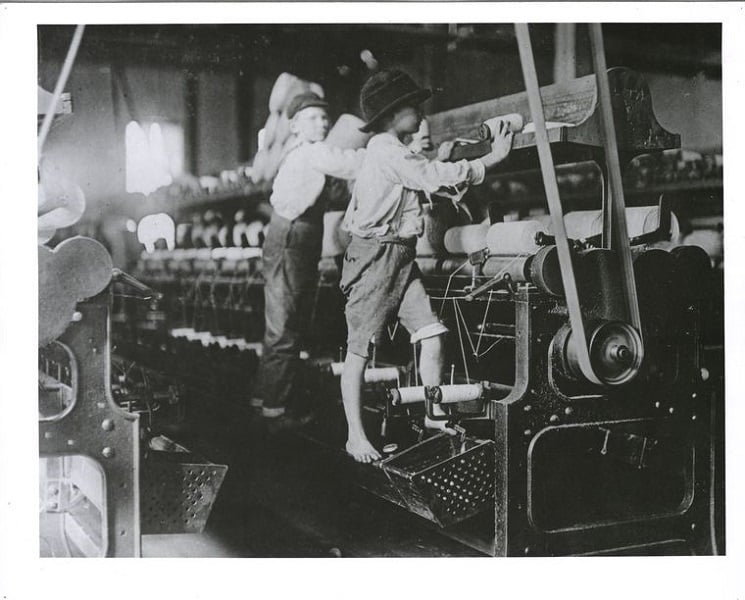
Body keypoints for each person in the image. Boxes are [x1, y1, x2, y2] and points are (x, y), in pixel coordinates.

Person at [340, 69, 514, 462]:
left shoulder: (393, 150)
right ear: (389, 116)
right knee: (359, 351)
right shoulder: (386, 150)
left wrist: (444, 158)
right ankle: (355, 435)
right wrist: (492, 159)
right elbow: (430, 176)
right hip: (374, 256)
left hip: (400, 255)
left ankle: (434, 414)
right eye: (412, 108)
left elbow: (425, 171)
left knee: (432, 332)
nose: (421, 115)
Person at [256, 91, 365, 432]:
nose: (323, 122)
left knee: (284, 323)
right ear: (295, 125)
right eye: (314, 118)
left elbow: (333, 193)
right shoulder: (313, 152)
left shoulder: (299, 153)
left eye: (324, 117)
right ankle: (275, 412)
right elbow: (353, 164)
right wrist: (389, 151)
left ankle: (265, 398)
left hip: (294, 235)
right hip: (293, 237)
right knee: (285, 325)